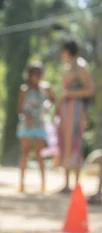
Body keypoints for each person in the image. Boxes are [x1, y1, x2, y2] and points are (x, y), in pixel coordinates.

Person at [58, 40, 94, 193]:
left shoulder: (80, 66)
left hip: (76, 109)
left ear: (68, 50)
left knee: (75, 143)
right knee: (65, 144)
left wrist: (70, 94)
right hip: (65, 110)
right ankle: (66, 184)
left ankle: (77, 184)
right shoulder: (67, 67)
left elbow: (89, 90)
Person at [17, 62, 53, 194]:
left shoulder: (46, 88)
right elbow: (19, 108)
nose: (36, 76)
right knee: (24, 153)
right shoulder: (24, 89)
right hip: (26, 125)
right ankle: (21, 183)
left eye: (39, 73)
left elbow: (52, 99)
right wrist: (27, 117)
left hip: (40, 124)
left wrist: (47, 107)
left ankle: (43, 184)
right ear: (29, 74)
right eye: (34, 73)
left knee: (40, 155)